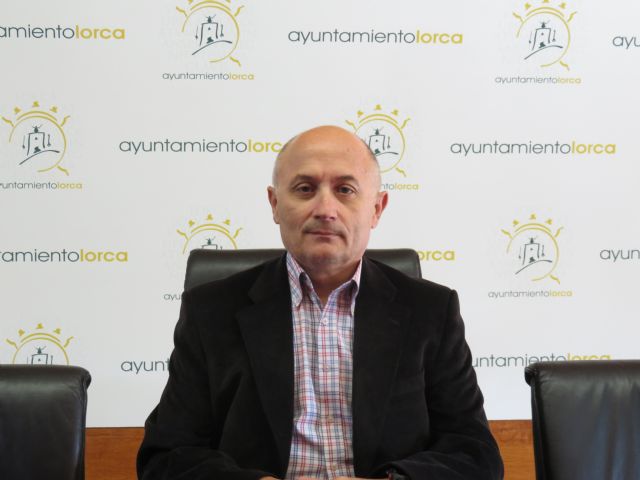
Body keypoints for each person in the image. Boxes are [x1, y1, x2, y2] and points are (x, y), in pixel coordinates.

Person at [137, 126, 504, 480]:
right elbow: (166, 456)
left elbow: (474, 455)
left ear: (377, 208)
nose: (325, 208)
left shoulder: (431, 311)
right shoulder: (211, 311)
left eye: (345, 189)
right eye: (305, 189)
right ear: (275, 204)